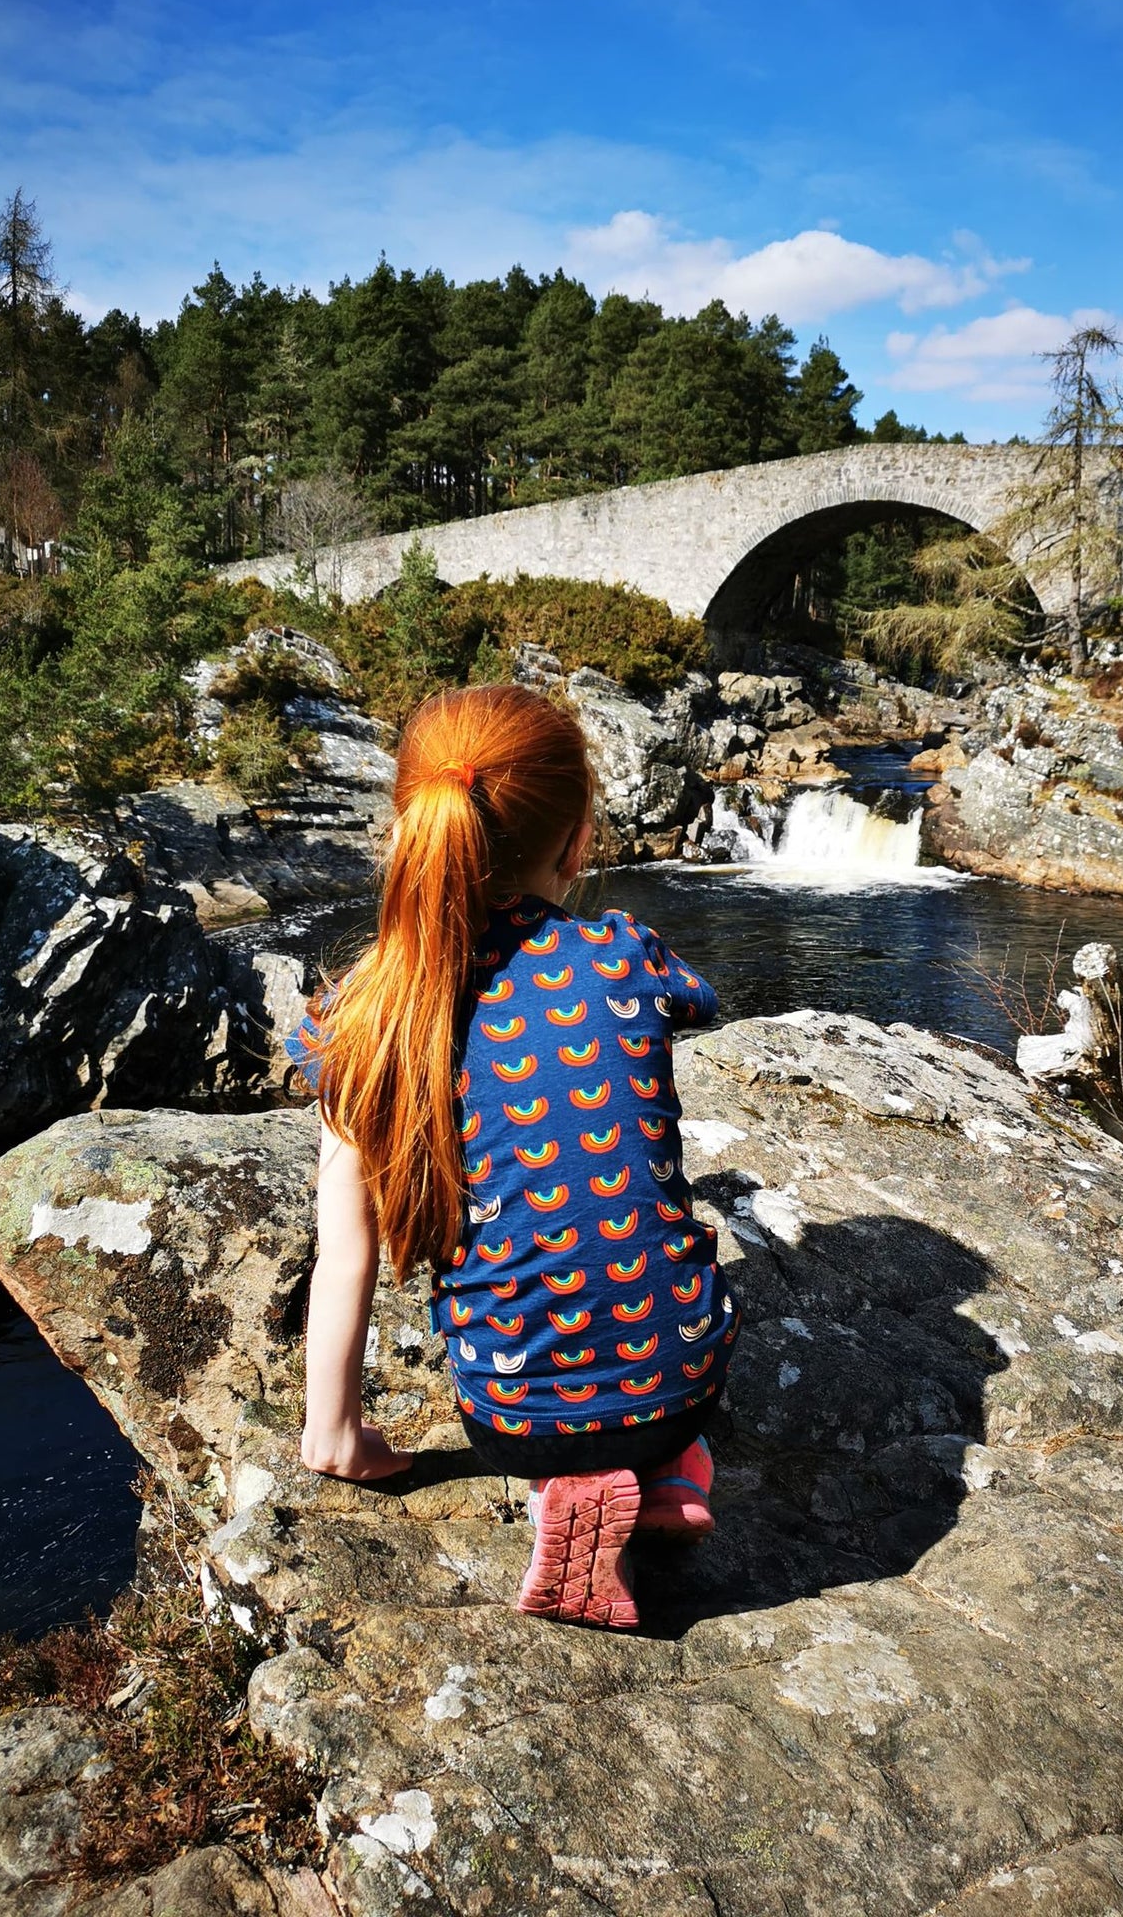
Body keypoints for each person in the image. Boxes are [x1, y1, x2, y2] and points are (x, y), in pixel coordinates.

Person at [286, 683, 740, 1632]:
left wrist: (336, 1435)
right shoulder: (624, 952)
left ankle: (561, 1488)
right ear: (577, 842)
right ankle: (672, 1470)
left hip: (513, 1416)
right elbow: (698, 1004)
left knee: (550, 1364)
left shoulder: (363, 1020)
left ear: (407, 832)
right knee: (671, 1288)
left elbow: (348, 1254)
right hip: (680, 1382)